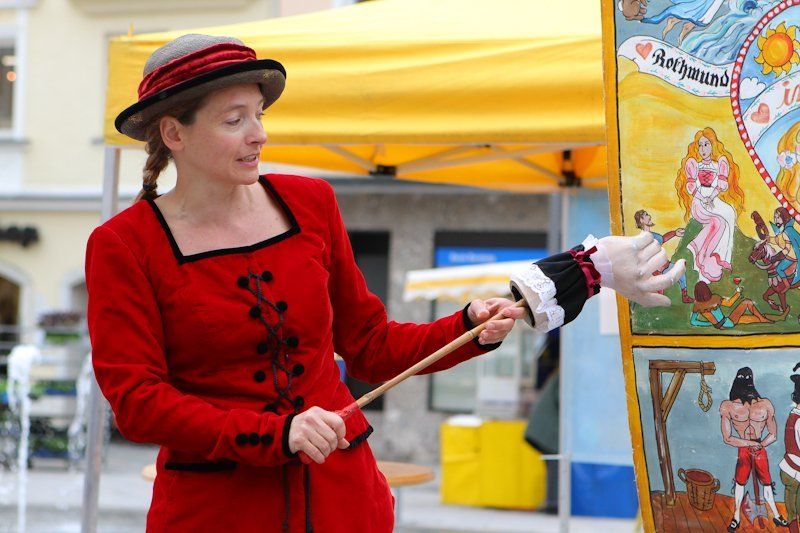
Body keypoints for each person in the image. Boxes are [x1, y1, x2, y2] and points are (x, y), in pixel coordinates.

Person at [86, 34, 682, 532]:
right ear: (174, 134)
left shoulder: (311, 203)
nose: (259, 135)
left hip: (344, 503)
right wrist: (277, 433)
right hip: (216, 513)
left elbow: (371, 344)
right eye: (233, 120)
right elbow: (137, 402)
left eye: (259, 115)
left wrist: (467, 326)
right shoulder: (123, 244)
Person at [719, 367, 788, 531]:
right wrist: (749, 444)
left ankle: (776, 515)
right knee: (740, 482)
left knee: (767, 482)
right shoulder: (728, 406)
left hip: (759, 450)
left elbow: (773, 434)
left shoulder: (765, 404)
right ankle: (736, 517)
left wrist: (761, 445)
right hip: (744, 449)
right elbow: (727, 438)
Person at [675, 127, 745, 284]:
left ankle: (723, 256)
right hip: (699, 201)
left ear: (713, 145)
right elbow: (691, 187)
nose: (703, 149)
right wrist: (703, 198)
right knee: (718, 221)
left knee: (729, 212)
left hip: (712, 198)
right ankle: (704, 257)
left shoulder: (718, 164)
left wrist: (711, 197)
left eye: (706, 144)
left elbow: (721, 186)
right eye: (700, 145)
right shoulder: (695, 165)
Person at [632, 209, 692, 303]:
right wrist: (655, 269)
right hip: (655, 270)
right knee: (659, 291)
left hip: (665, 266)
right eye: (646, 215)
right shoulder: (642, 239)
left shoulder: (653, 235)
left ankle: (685, 296)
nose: (649, 216)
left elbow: (662, 239)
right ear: (641, 220)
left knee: (681, 272)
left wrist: (675, 233)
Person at [690, 281, 772, 328]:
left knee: (752, 319)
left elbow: (693, 321)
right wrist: (738, 293)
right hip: (727, 322)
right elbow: (729, 303)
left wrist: (709, 323)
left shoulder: (697, 306)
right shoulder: (714, 299)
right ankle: (763, 318)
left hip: (722, 324)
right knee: (747, 302)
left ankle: (764, 318)